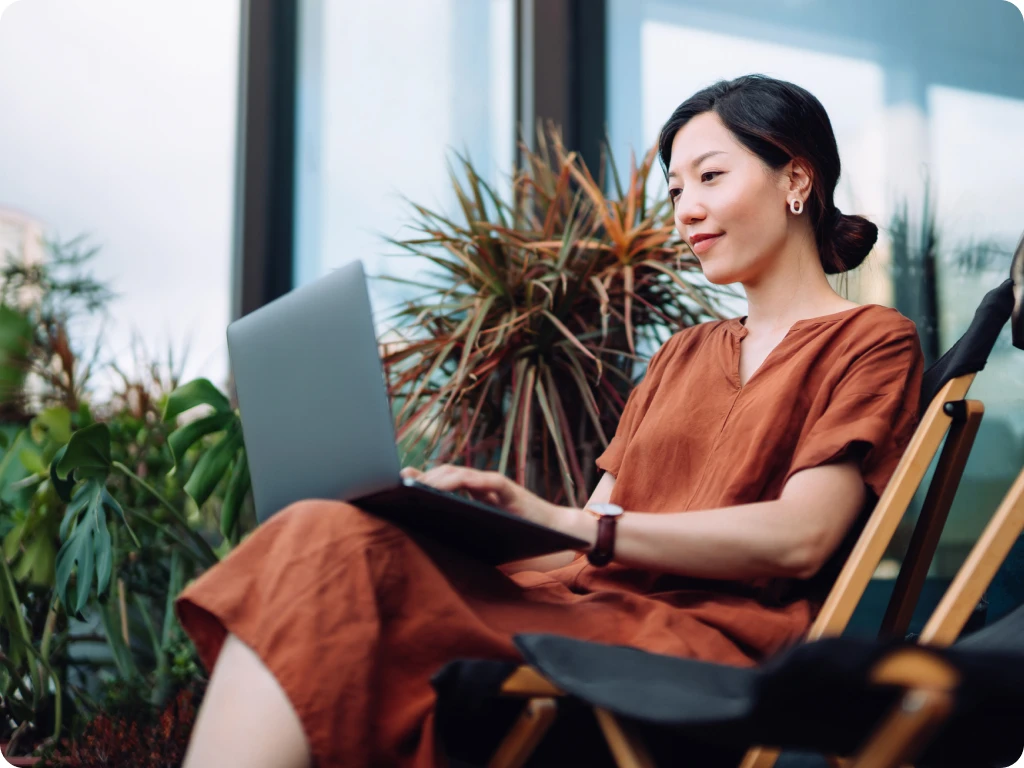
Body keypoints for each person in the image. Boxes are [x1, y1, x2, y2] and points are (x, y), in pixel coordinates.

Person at [176, 74, 923, 768]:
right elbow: (585, 542)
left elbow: (802, 539)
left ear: (797, 178)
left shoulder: (873, 341)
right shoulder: (682, 355)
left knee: (326, 556)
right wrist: (452, 527)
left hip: (702, 651)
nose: (684, 209)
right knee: (333, 536)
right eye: (673, 189)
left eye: (710, 176)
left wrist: (573, 524)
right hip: (590, 614)